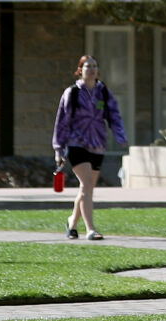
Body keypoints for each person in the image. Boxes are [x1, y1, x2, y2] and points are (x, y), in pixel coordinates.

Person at [52, 54, 127, 240]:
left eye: (94, 65)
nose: (92, 69)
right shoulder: (72, 92)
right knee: (86, 185)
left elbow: (114, 115)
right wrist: (58, 149)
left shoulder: (103, 92)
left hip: (98, 145)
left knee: (86, 189)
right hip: (77, 144)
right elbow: (62, 121)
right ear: (80, 70)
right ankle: (91, 229)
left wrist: (120, 136)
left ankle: (72, 222)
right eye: (87, 66)